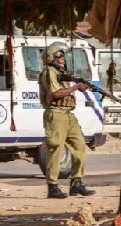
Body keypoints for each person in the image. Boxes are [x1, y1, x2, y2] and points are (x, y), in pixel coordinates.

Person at [38, 42, 95, 199]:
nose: (62, 58)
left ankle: (76, 183)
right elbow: (56, 94)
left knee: (79, 146)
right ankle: (53, 186)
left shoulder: (61, 72)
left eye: (63, 55)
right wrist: (76, 87)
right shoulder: (49, 72)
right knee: (55, 149)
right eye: (59, 55)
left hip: (68, 114)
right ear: (51, 57)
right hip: (56, 114)